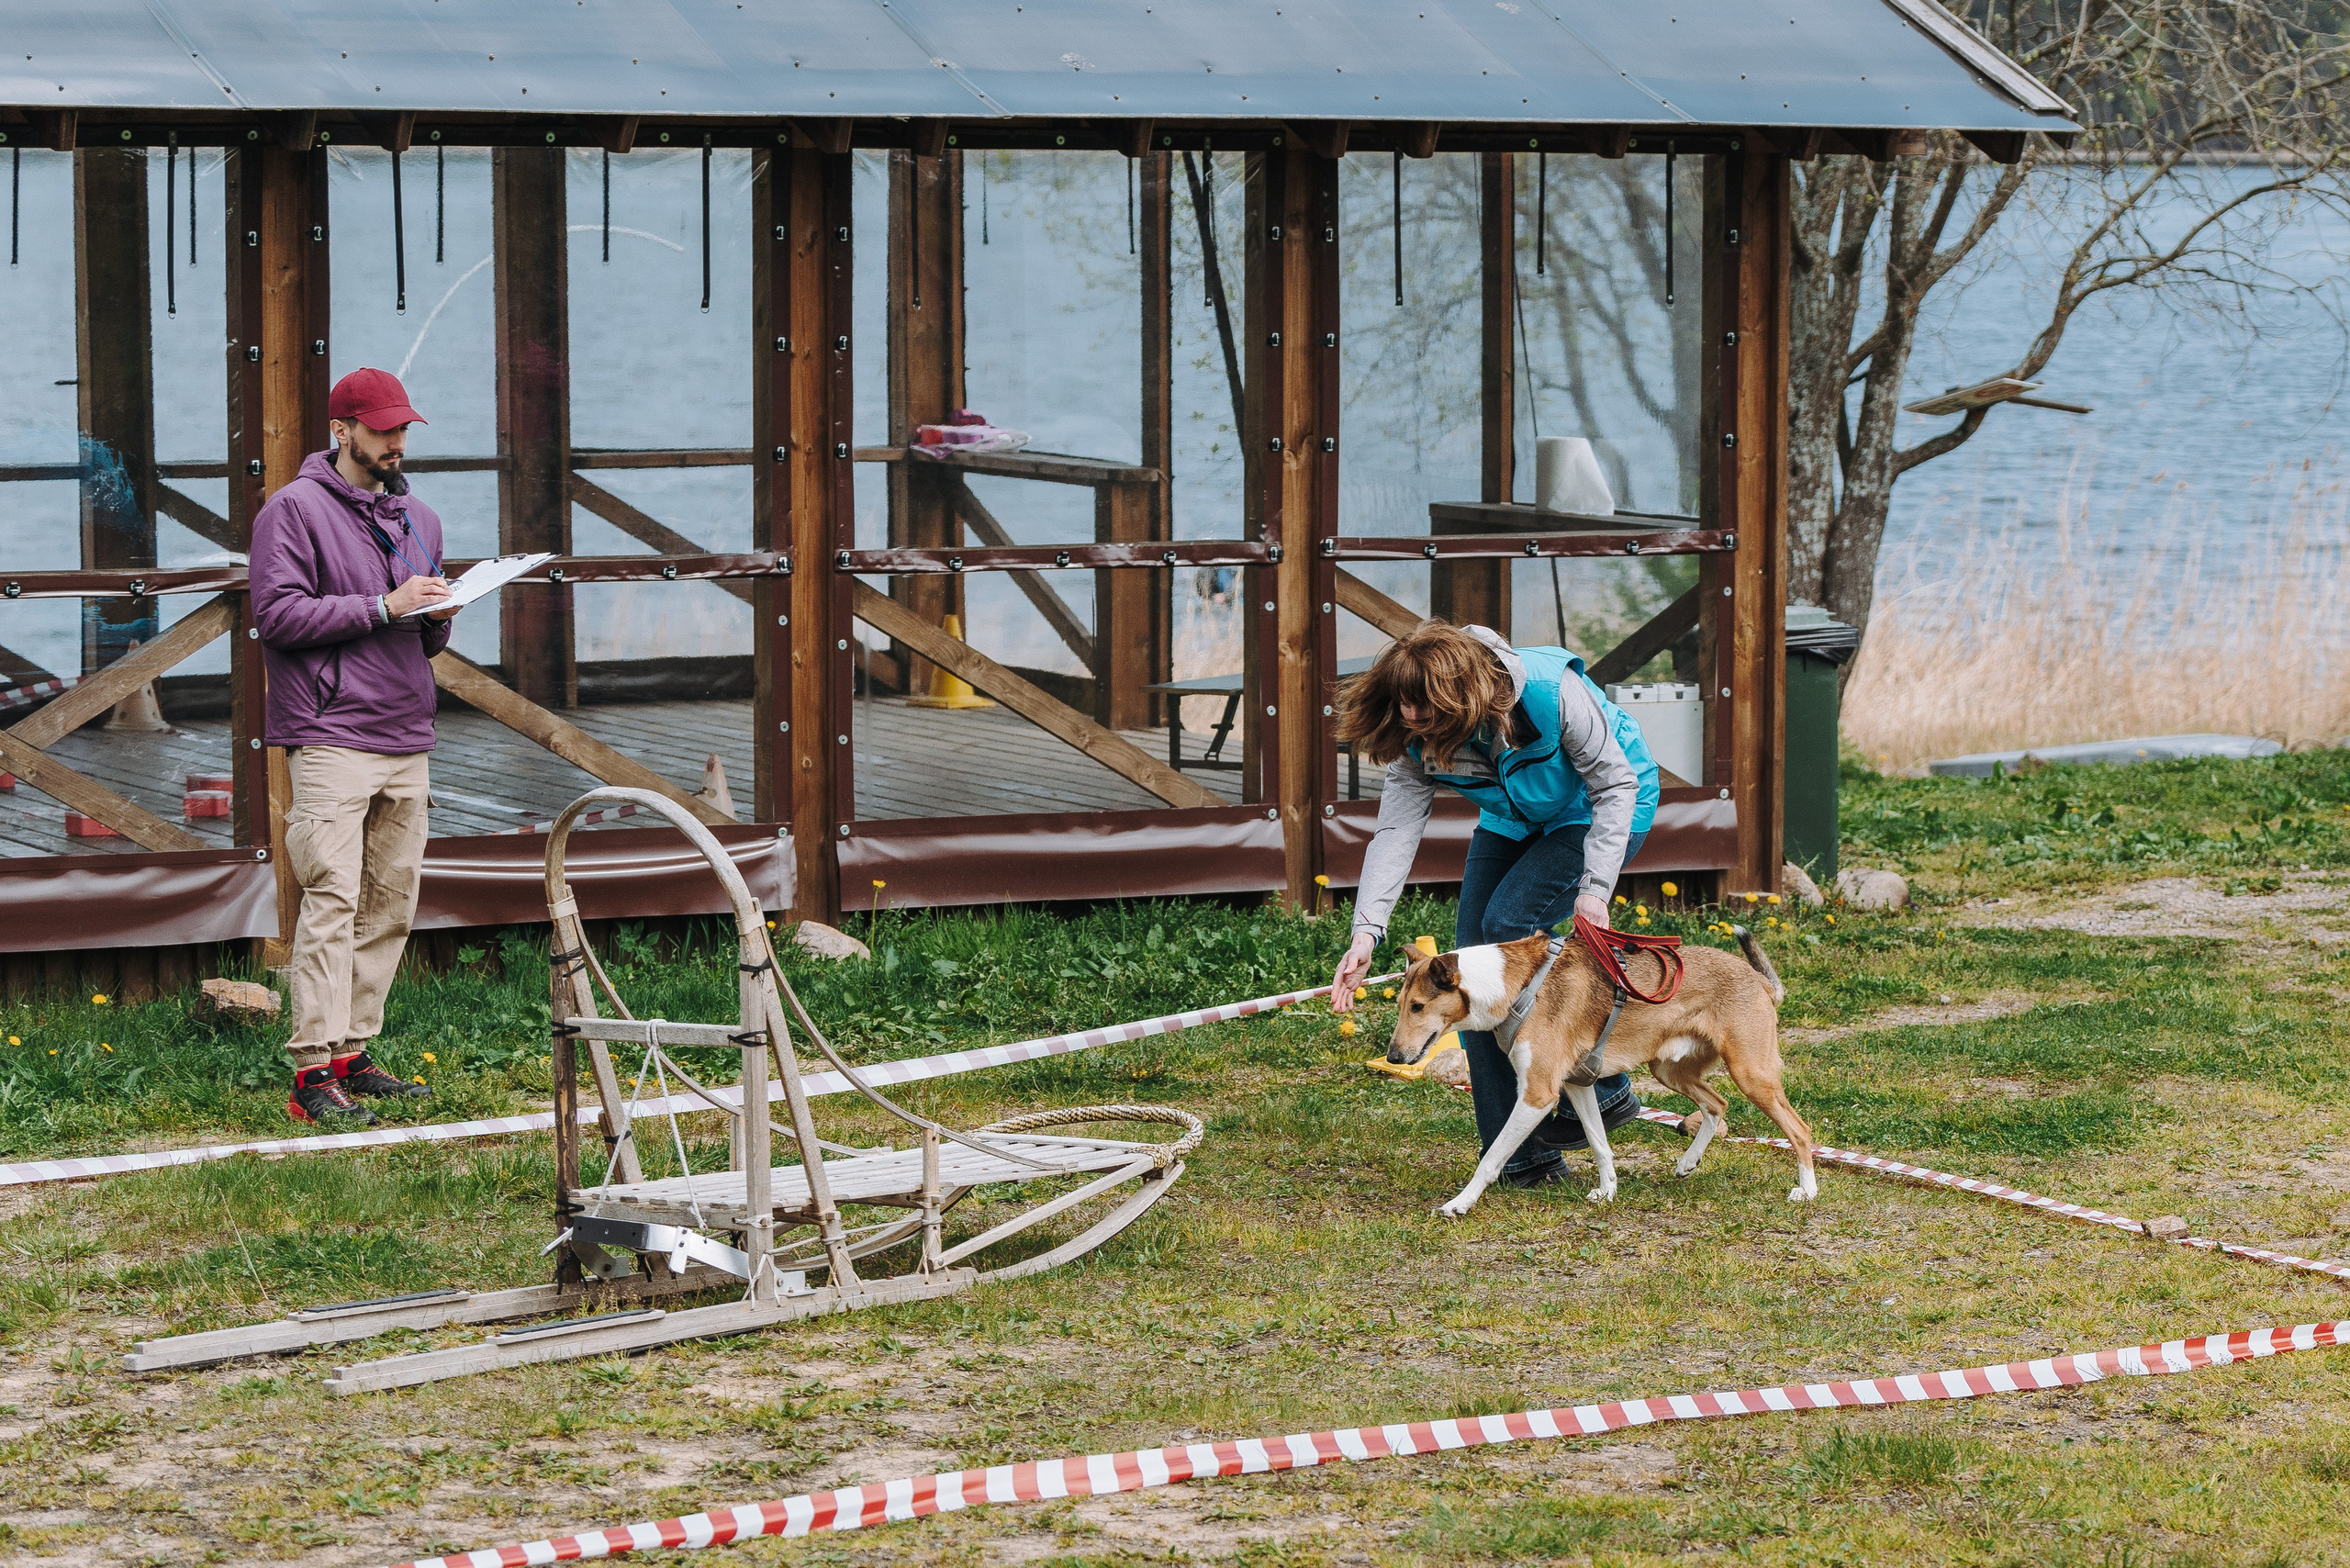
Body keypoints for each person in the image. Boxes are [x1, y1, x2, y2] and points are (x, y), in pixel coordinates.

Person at [1329, 621, 1661, 1190]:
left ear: (1465, 698)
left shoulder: (1552, 694)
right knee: (1467, 972)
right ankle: (1523, 1160)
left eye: (1427, 716)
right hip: (1512, 821)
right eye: (1405, 712)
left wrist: (1594, 890)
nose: (1414, 726)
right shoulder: (1412, 727)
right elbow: (1395, 832)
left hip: (1600, 809)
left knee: (1508, 923)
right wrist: (1366, 933)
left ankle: (1603, 1089)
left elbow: (1614, 786)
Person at [251, 368, 460, 1126]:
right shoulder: (292, 511)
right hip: (332, 734)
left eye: (403, 429)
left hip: (408, 730)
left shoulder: (420, 519)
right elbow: (276, 617)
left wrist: (440, 612)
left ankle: (354, 1053)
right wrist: (381, 604)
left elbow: (425, 637)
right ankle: (312, 1071)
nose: (396, 442)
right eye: (382, 430)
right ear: (341, 431)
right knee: (332, 900)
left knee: (390, 904)